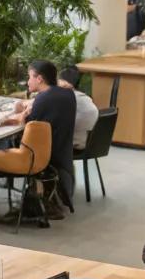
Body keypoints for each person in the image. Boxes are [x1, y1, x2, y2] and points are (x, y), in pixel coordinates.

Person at [7, 59, 76, 212]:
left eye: (30, 76)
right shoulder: (68, 94)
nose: (27, 81)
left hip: (41, 156)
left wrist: (20, 113)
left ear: (39, 79)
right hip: (63, 152)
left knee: (4, 144)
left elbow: (25, 125)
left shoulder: (43, 99)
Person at [58, 65, 99, 150]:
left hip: (75, 146)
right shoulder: (85, 98)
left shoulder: (68, 98)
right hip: (91, 144)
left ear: (64, 83)